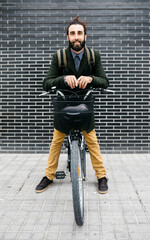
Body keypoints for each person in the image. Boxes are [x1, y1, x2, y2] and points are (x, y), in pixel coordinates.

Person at [35, 16, 109, 194]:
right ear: (67, 37)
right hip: (63, 108)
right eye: (72, 33)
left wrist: (91, 79)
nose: (76, 37)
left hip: (85, 107)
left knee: (92, 141)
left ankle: (101, 176)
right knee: (56, 141)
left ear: (85, 36)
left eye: (79, 33)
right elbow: (46, 83)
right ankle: (49, 176)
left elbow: (105, 82)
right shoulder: (59, 57)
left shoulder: (93, 56)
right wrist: (62, 79)